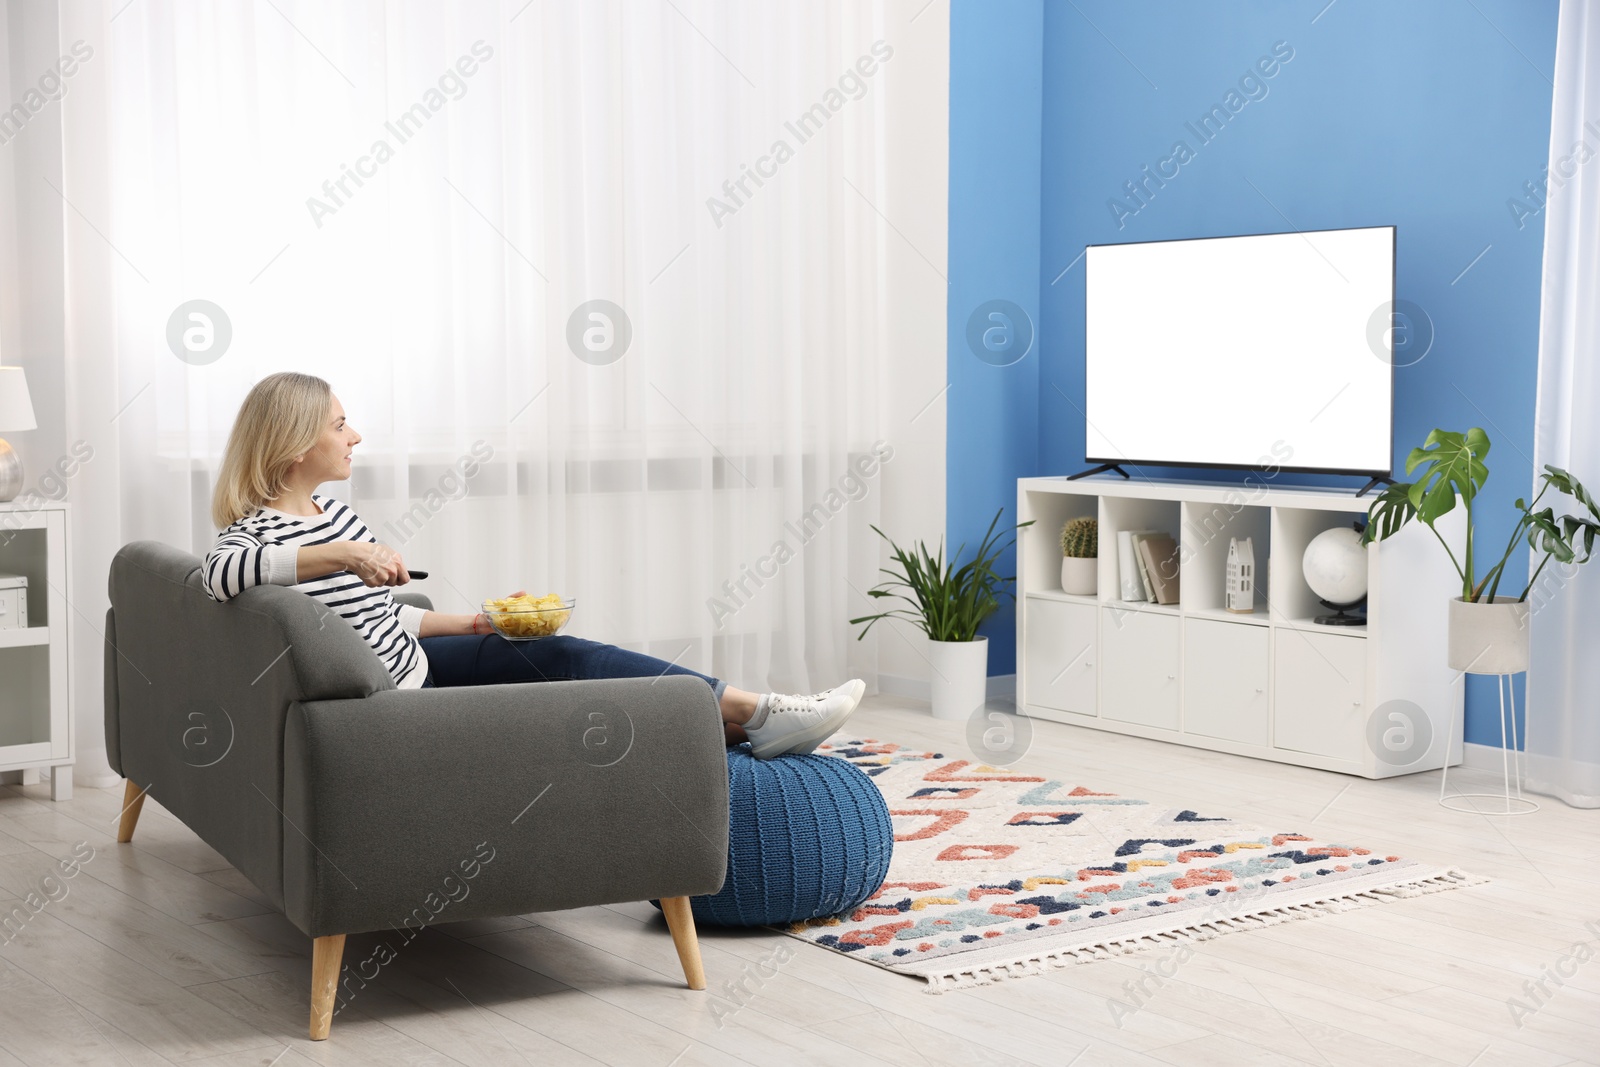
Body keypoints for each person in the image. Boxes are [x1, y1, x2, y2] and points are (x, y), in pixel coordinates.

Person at [202, 371, 863, 758]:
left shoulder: (329, 510)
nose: (356, 436)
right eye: (340, 424)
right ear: (293, 445)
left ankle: (741, 718)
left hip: (421, 664)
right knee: (576, 674)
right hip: (404, 703)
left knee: (566, 649)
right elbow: (220, 574)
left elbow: (376, 625)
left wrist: (476, 622)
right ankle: (757, 712)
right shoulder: (258, 534)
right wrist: (347, 554)